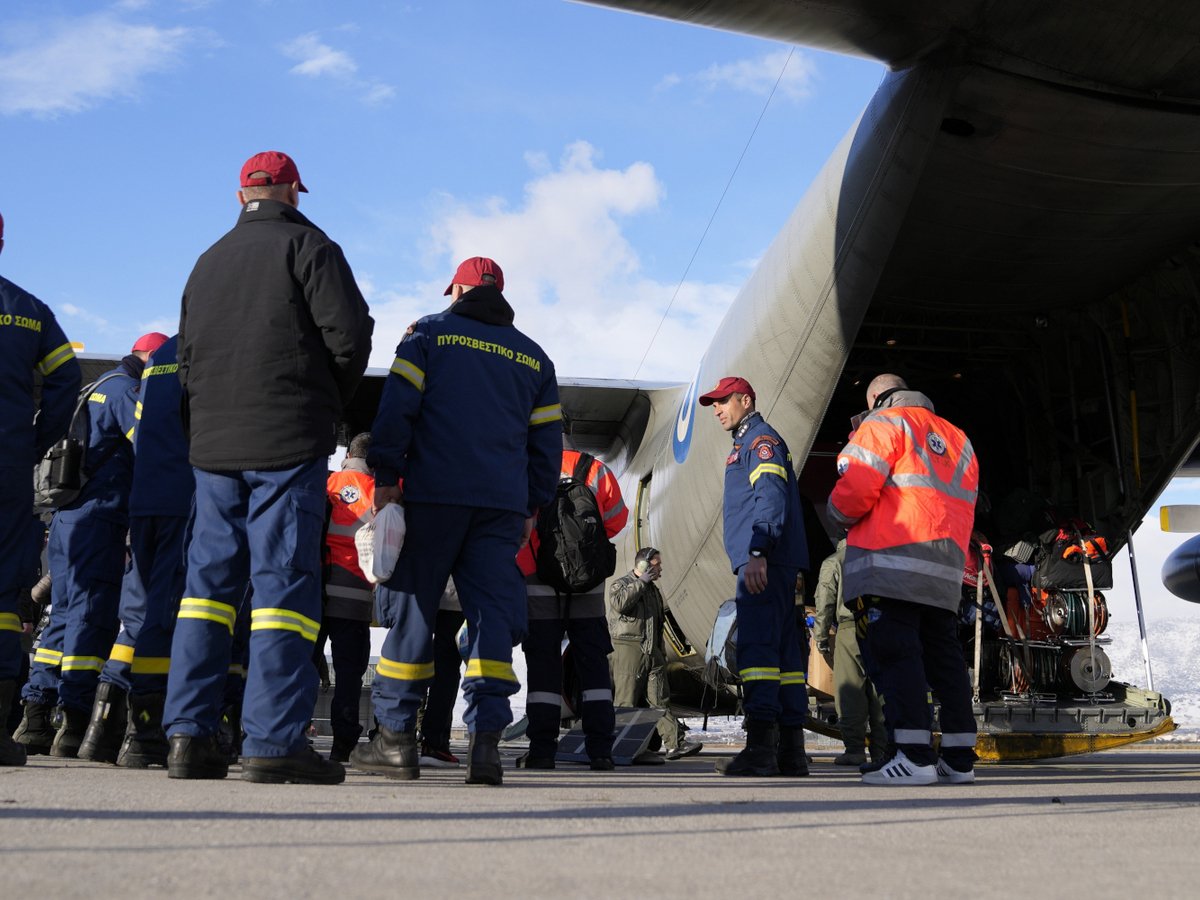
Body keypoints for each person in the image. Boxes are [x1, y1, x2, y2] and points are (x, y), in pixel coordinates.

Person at [162, 150, 373, 784]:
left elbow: (186, 357)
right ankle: (273, 741)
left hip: (213, 450)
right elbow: (350, 338)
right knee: (282, 591)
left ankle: (188, 738)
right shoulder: (310, 249)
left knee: (205, 595)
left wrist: (202, 427)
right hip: (285, 442)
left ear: (240, 195)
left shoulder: (207, 262)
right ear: (292, 193)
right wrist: (322, 405)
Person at [351, 256, 559, 786]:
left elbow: (396, 408)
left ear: (460, 289)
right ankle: (485, 745)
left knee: (416, 609)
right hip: (501, 507)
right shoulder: (535, 358)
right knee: (490, 618)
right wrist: (531, 505)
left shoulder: (429, 333)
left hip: (433, 497)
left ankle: (396, 739)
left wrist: (388, 476)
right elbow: (545, 447)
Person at [828, 373, 979, 785]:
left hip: (892, 566)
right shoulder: (958, 438)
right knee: (945, 662)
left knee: (898, 658)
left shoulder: (883, 424)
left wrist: (835, 516)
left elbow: (855, 488)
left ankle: (914, 758)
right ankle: (959, 759)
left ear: (876, 398)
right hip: (944, 571)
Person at [20, 331, 163, 759]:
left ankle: (37, 715)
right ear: (151, 358)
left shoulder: (92, 388)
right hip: (100, 516)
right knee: (91, 614)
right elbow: (148, 445)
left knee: (61, 614)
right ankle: (76, 719)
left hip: (67, 517)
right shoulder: (125, 390)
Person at [0, 210, 82, 766]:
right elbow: (65, 380)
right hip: (4, 463)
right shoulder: (28, 311)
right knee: (5, 596)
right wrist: (33, 442)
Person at [699, 376, 808, 777]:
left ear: (746, 400)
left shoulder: (759, 441)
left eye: (723, 401)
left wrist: (758, 550)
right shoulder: (751, 442)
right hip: (775, 562)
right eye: (713, 404)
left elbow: (770, 495)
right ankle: (792, 753)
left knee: (759, 652)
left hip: (762, 561)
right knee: (785, 657)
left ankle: (761, 749)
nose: (717, 409)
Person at [516, 437, 625, 771]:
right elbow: (617, 521)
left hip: (539, 583)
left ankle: (542, 751)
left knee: (544, 667)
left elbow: (516, 523)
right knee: (592, 666)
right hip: (587, 586)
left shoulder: (526, 467)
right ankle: (601, 751)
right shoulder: (596, 470)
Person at [608, 546, 702, 760]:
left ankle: (674, 744)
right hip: (629, 649)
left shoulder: (653, 591)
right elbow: (620, 604)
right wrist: (641, 583)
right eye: (656, 564)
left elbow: (658, 624)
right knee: (626, 701)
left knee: (659, 700)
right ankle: (620, 748)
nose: (660, 568)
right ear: (643, 565)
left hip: (652, 652)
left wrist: (660, 653)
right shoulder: (622, 584)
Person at [321, 432, 375, 763]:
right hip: (355, 598)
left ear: (348, 454)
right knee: (349, 673)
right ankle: (342, 744)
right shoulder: (382, 491)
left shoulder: (327, 484)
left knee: (304, 664)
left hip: (317, 592)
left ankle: (292, 732)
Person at [812, 538, 886, 767]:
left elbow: (824, 601)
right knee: (880, 692)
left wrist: (821, 637)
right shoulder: (879, 558)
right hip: (880, 626)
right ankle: (882, 752)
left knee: (850, 691)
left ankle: (854, 749)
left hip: (850, 628)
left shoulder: (834, 562)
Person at [416, 579, 466, 767]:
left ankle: (395, 737)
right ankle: (435, 744)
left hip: (422, 595)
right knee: (446, 672)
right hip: (455, 599)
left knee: (411, 664)